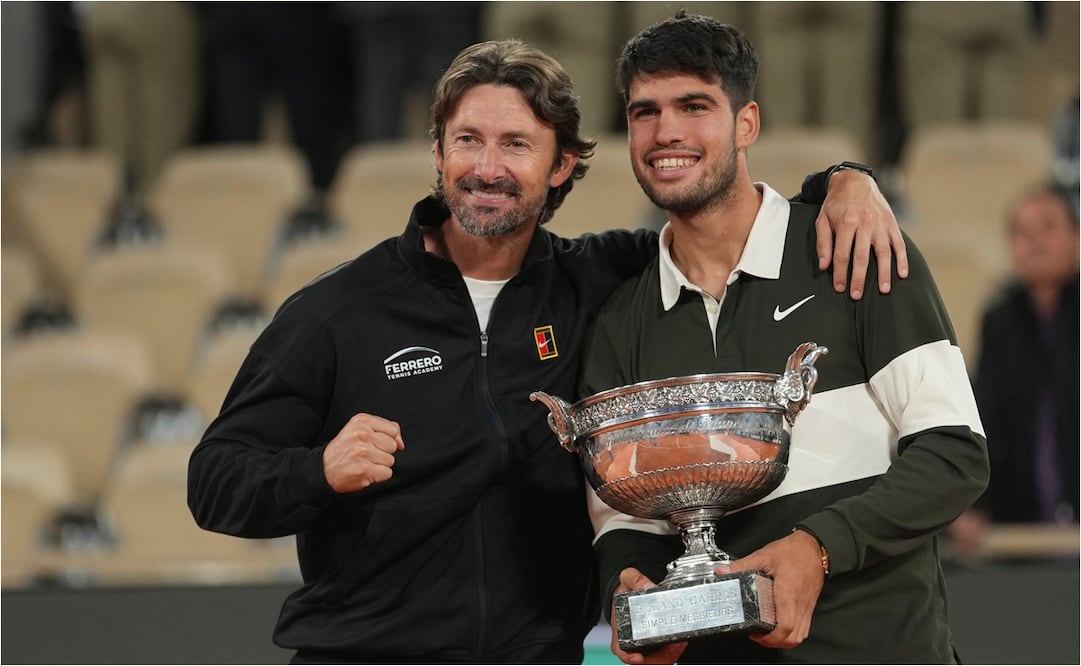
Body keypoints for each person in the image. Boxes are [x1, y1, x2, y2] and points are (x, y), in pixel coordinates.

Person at [187, 36, 907, 663]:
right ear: (437, 153)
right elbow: (215, 480)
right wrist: (315, 471)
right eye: (467, 140)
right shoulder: (338, 309)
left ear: (561, 164)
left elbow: (726, 219)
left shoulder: (604, 280)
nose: (486, 168)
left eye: (516, 144)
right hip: (364, 655)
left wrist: (843, 183)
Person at [575, 13, 988, 664]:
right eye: (643, 112)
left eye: (693, 105)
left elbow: (951, 456)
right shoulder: (618, 321)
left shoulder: (855, 249)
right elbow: (624, 520)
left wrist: (817, 548)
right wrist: (626, 586)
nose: (666, 133)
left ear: (747, 124)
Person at [971, 185, 1079, 527]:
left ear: (1076, 238)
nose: (1035, 242)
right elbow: (984, 416)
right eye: (1022, 232)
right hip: (1018, 520)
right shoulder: (999, 321)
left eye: (1048, 227)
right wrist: (973, 505)